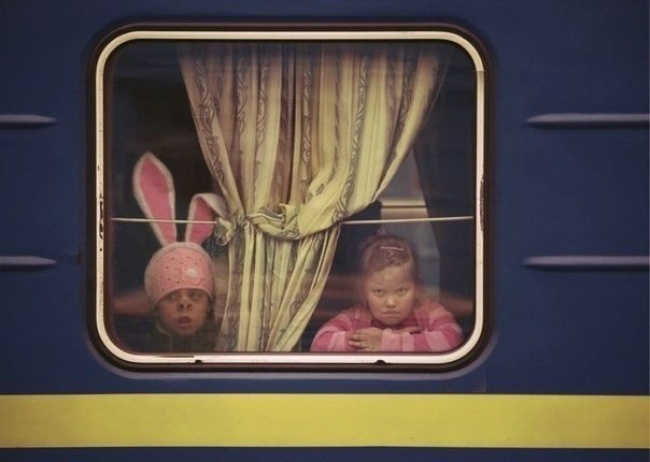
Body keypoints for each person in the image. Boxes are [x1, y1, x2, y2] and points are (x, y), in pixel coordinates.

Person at [132, 151, 226, 353]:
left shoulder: (226, 346)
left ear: (210, 306)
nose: (184, 304)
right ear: (155, 307)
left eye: (195, 296)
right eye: (171, 297)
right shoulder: (135, 348)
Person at [310, 233, 463, 352]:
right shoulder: (356, 316)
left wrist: (386, 342)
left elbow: (453, 339)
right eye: (379, 292)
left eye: (401, 291)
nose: (390, 302)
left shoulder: (428, 312)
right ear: (363, 291)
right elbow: (319, 343)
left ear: (416, 288)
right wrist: (372, 341)